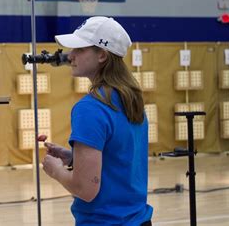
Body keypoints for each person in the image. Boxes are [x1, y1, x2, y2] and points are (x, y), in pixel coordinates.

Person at [38, 16, 153, 225]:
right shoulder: (131, 100)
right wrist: (74, 158)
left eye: (80, 49)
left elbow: (85, 189)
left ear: (102, 55)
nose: (70, 56)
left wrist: (56, 170)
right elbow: (119, 160)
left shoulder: (90, 108)